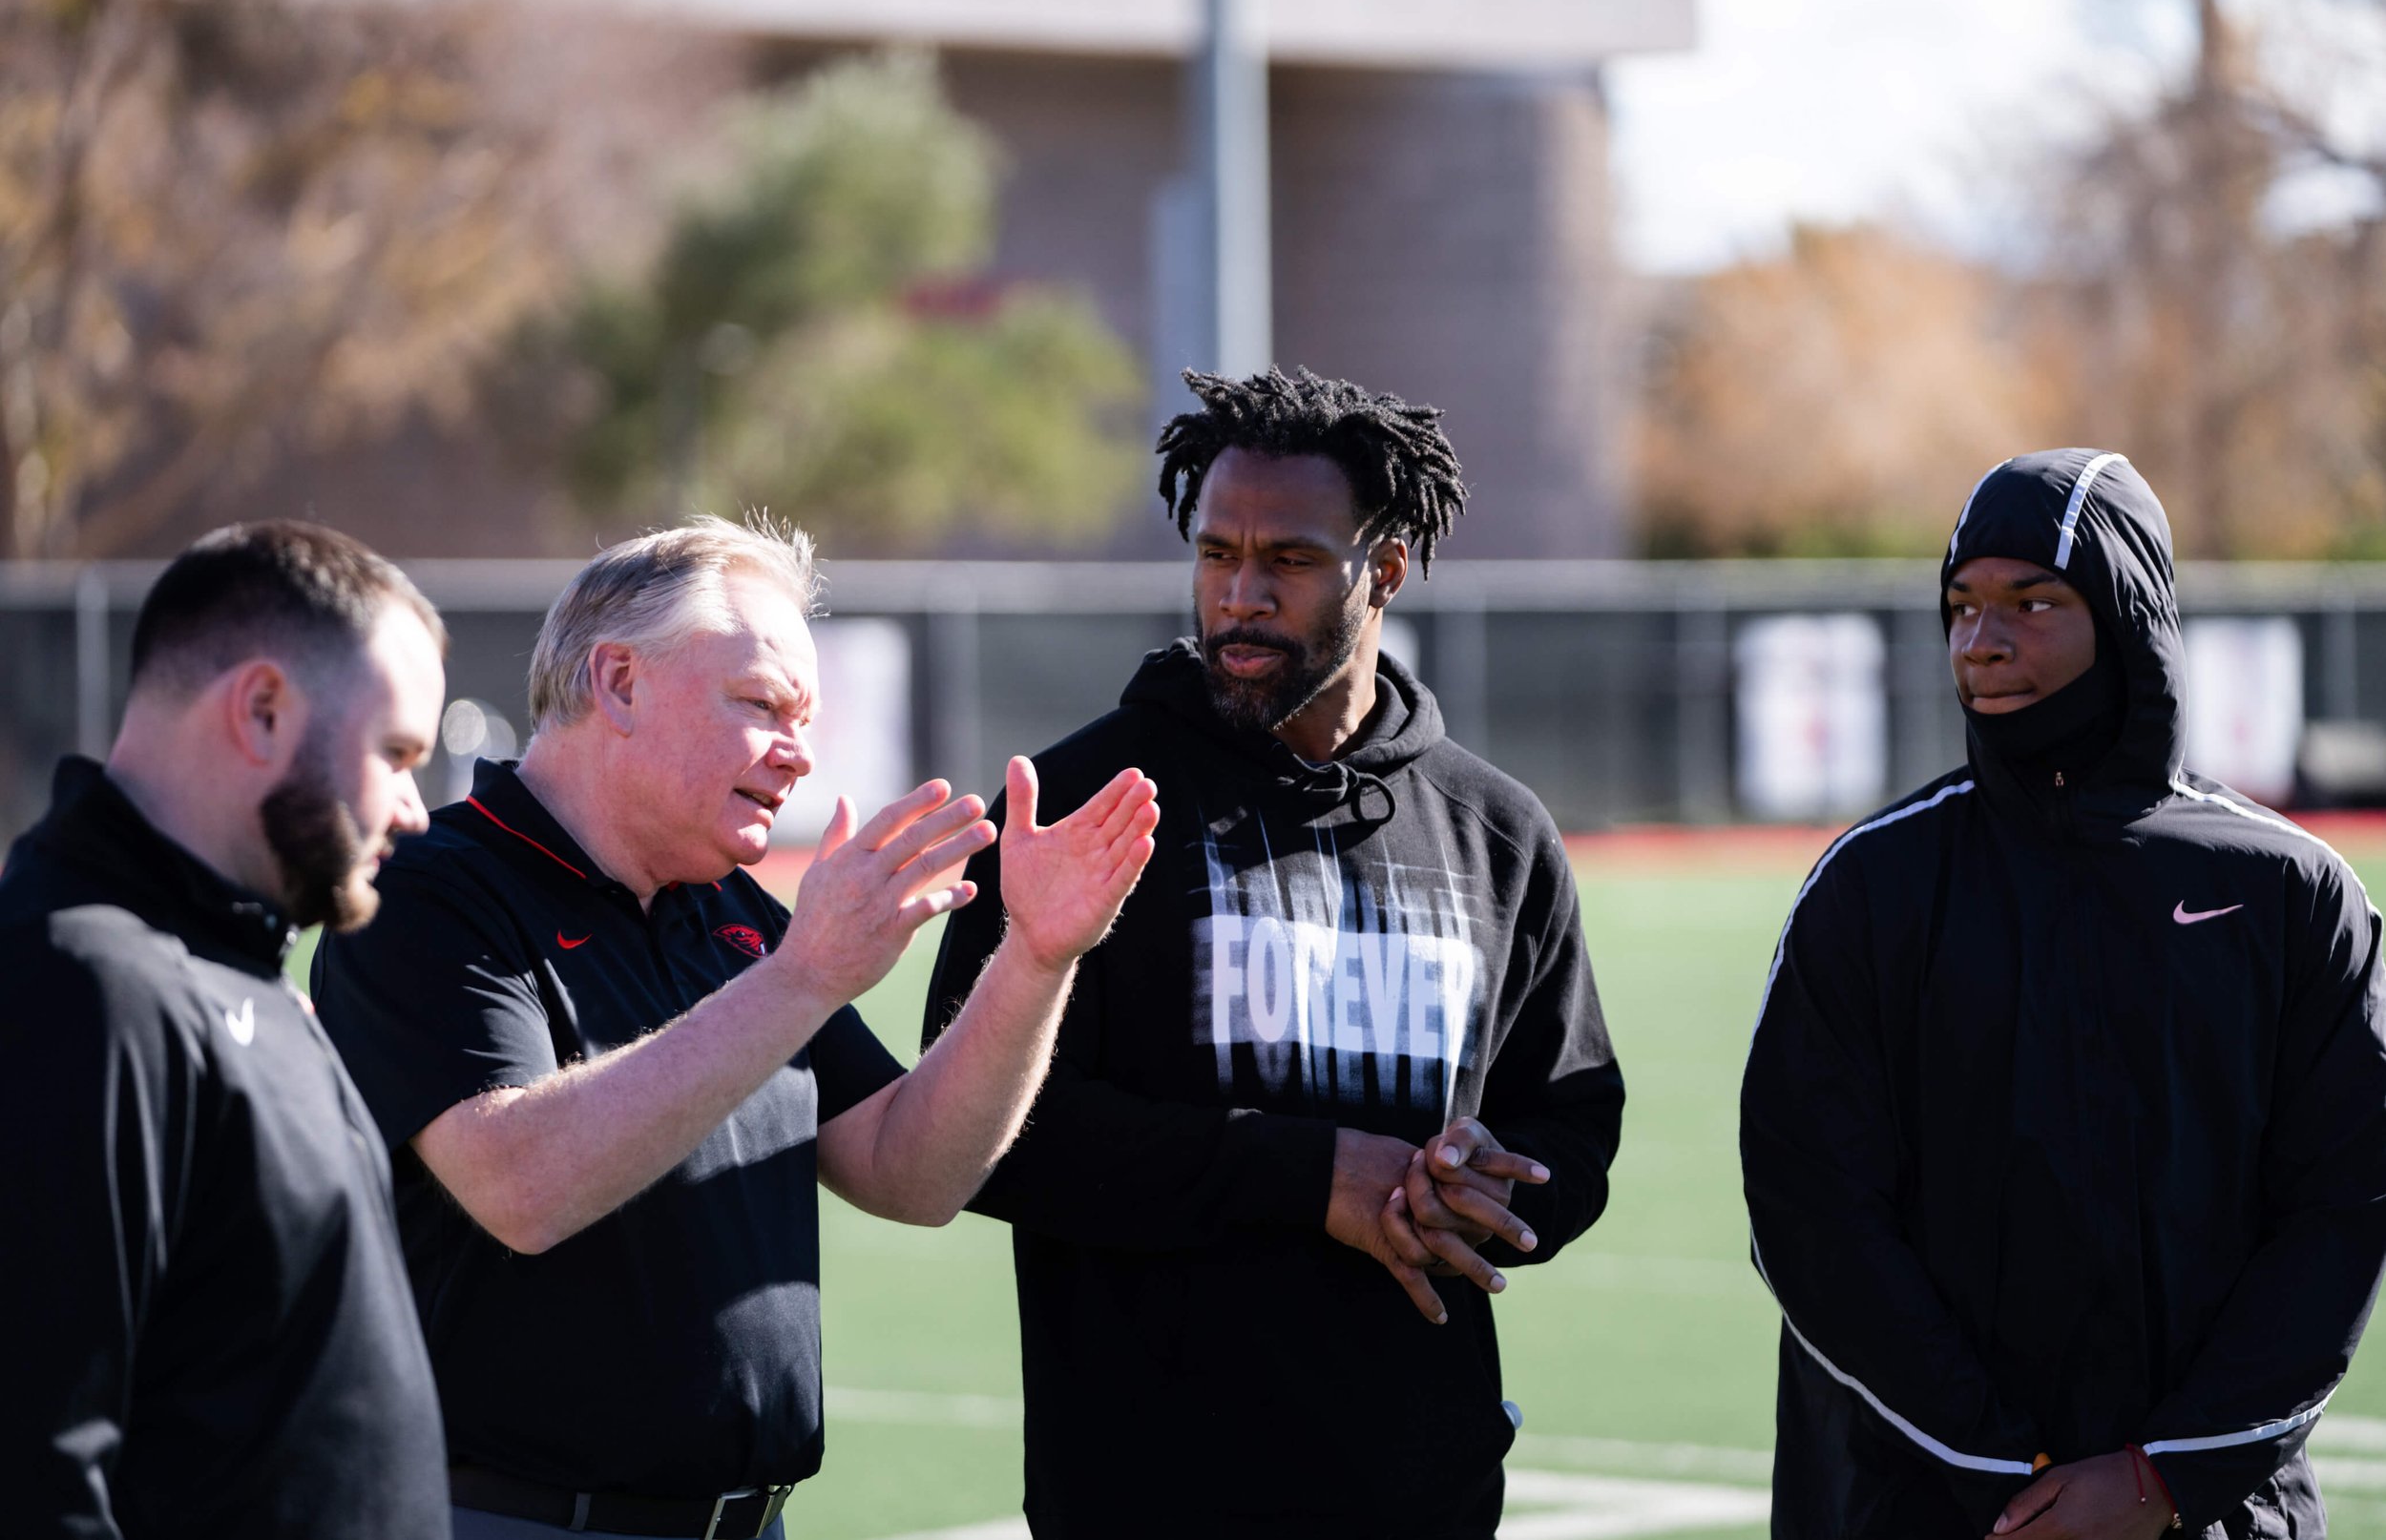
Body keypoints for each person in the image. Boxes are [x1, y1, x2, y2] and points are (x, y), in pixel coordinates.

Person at [311, 514, 1157, 1540]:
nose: (800, 754)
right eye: (764, 705)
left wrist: (1035, 956)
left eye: (807, 717)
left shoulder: (729, 912)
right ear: (618, 683)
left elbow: (913, 1171)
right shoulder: (432, 890)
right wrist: (803, 977)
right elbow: (519, 1185)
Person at [920, 365, 1625, 1540]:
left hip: (1422, 1492)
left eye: (1289, 560)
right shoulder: (1080, 804)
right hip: (1147, 1496)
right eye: (1215, 554)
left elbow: (1571, 1125)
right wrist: (1305, 1175)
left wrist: (1474, 1187)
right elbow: (981, 1138)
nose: (1240, 594)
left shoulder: (1498, 833)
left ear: (1383, 569)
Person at [1742, 448, 2386, 1539]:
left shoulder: (2288, 891)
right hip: (1916, 1503)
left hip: (2211, 1512)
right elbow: (1811, 1214)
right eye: (1959, 605)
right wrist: (2010, 1475)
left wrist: (2160, 1478)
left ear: (2127, 614)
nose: (1979, 642)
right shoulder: (1872, 886)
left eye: (2030, 602)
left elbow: (2343, 1209)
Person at [0, 521, 452, 1538]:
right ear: (260, 709)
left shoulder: (225, 963)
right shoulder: (83, 985)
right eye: (396, 754)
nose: (417, 809)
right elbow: (38, 1473)